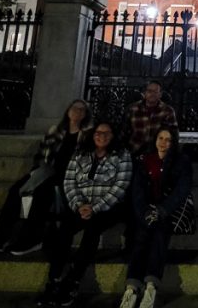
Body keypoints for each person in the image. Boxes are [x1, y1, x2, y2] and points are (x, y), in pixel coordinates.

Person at [37, 121, 132, 307]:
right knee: (64, 231)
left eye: (107, 132)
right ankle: (54, 279)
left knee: (92, 231)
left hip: (107, 208)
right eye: (98, 132)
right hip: (80, 206)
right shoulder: (80, 154)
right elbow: (69, 182)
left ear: (113, 136)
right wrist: (79, 205)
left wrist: (94, 207)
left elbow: (120, 186)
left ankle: (73, 279)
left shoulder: (122, 155)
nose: (102, 136)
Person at [0, 98, 93, 256]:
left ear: (86, 114)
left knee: (41, 195)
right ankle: (1, 237)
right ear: (68, 110)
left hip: (69, 176)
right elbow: (42, 154)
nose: (77, 112)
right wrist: (37, 171)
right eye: (74, 108)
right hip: (47, 171)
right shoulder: (55, 131)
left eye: (81, 109)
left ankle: (31, 239)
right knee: (15, 191)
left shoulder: (87, 135)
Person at [120, 125, 193, 308]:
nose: (164, 143)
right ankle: (132, 287)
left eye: (168, 139)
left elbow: (181, 190)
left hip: (169, 210)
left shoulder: (181, 161)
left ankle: (151, 286)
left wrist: (161, 211)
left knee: (159, 234)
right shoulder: (144, 160)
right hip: (146, 209)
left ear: (173, 142)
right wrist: (144, 212)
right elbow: (137, 191)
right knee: (141, 236)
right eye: (161, 138)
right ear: (155, 140)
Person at [123, 80, 177, 154]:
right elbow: (124, 131)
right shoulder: (132, 109)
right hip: (134, 151)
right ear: (145, 93)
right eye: (150, 91)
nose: (152, 94)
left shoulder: (168, 111)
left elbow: (173, 134)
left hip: (158, 153)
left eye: (155, 91)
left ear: (160, 94)